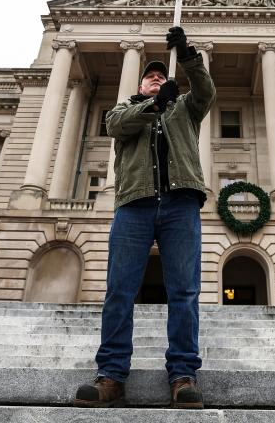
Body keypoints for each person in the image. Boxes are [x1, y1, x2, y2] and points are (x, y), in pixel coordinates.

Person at [74, 26, 215, 409]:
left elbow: (205, 91)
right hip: (134, 203)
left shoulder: (185, 108)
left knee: (184, 291)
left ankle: (183, 374)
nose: (156, 78)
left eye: (160, 75)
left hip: (180, 203)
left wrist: (186, 56)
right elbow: (116, 126)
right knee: (119, 290)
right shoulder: (124, 110)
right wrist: (152, 105)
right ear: (141, 84)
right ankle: (112, 375)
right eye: (150, 76)